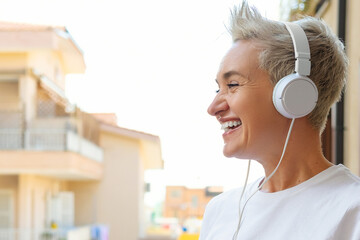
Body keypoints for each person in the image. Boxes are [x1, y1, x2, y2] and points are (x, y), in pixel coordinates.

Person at [199, 1, 360, 240]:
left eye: (232, 85)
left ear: (294, 95)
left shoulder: (351, 210)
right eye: (217, 89)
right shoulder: (219, 211)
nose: (213, 108)